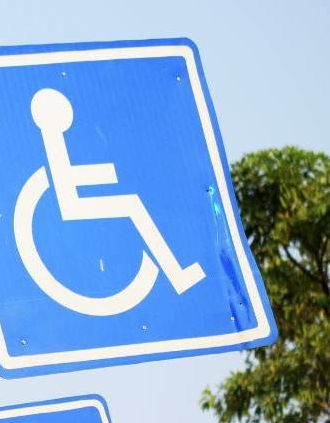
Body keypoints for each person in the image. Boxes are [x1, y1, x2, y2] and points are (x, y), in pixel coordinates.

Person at [30, 88, 205, 295]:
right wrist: (107, 173)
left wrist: (106, 173)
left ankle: (177, 274)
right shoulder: (52, 137)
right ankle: (177, 274)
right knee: (132, 206)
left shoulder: (52, 135)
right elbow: (66, 176)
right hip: (70, 202)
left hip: (70, 197)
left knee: (132, 205)